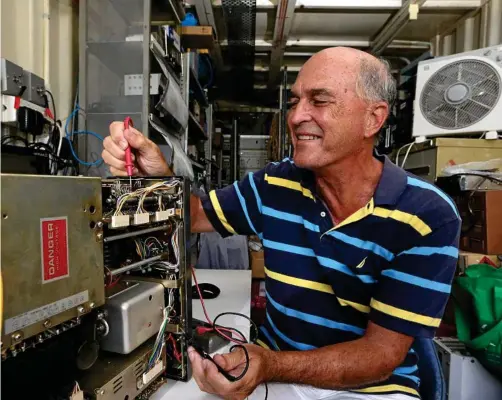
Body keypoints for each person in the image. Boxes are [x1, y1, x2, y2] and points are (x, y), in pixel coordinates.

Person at [103, 47, 461, 400]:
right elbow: (194, 216)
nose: (296, 116)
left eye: (319, 101)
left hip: (371, 389)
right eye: (293, 102)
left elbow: (380, 357)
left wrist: (271, 364)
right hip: (273, 375)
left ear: (374, 118)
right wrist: (158, 177)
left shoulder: (426, 215)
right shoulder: (274, 184)